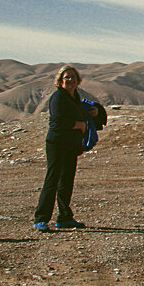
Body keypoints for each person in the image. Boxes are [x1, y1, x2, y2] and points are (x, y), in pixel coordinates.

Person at [33, 65, 97, 231]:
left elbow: (81, 114)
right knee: (52, 179)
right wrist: (78, 125)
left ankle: (64, 217)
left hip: (71, 144)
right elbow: (57, 121)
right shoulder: (58, 97)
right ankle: (41, 218)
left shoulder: (75, 97)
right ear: (60, 80)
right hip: (57, 143)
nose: (70, 80)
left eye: (73, 77)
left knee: (67, 180)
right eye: (67, 77)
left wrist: (93, 113)